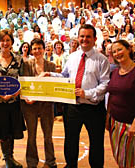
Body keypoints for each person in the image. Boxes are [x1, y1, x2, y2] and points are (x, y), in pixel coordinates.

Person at [41, 24, 110, 168]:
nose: (84, 39)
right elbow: (65, 76)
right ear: (78, 38)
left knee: (96, 142)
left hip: (94, 108)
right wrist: (51, 74)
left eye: (88, 37)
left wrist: (87, 94)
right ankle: (71, 165)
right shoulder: (72, 57)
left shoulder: (102, 60)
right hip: (72, 107)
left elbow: (105, 84)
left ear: (95, 39)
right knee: (71, 140)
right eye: (82, 36)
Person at [0, 29, 26, 168]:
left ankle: (10, 157)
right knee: (3, 131)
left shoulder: (19, 59)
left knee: (11, 130)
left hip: (14, 101)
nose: (5, 43)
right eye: (2, 40)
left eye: (7, 40)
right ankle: (7, 158)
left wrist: (15, 93)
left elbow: (23, 80)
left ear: (12, 42)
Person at [21, 38, 57, 168]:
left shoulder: (51, 66)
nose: (37, 51)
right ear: (31, 50)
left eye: (39, 48)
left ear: (44, 49)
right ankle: (31, 162)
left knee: (48, 135)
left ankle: (51, 161)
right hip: (30, 105)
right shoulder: (26, 64)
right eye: (34, 48)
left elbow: (53, 86)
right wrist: (28, 98)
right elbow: (26, 84)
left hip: (46, 105)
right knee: (31, 136)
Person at [106, 40, 135, 168]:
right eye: (114, 52)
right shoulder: (115, 73)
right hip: (115, 124)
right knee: (120, 158)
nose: (117, 54)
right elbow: (111, 96)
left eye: (119, 49)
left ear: (129, 49)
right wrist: (108, 119)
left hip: (130, 124)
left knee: (128, 161)